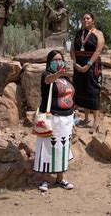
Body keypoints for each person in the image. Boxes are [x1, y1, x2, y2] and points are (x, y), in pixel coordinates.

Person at [34, 50, 75, 192]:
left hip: (67, 118)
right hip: (52, 118)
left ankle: (60, 179)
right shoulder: (46, 75)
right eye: (55, 59)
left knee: (62, 148)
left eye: (60, 59)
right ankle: (44, 180)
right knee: (47, 148)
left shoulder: (66, 78)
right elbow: (48, 80)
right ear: (49, 61)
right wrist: (58, 74)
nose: (58, 61)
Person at [71, 12, 105, 132]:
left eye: (88, 18)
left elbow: (98, 50)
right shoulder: (79, 33)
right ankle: (85, 118)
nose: (85, 20)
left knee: (93, 90)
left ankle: (95, 122)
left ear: (93, 20)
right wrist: (74, 62)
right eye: (83, 18)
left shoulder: (98, 34)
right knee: (81, 89)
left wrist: (88, 65)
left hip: (92, 65)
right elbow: (72, 50)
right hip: (78, 64)